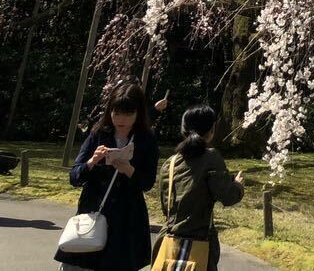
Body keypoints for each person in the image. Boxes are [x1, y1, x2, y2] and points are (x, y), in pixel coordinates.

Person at [56, 82, 159, 271]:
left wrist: (129, 170)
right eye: (116, 113)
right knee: (79, 265)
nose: (121, 119)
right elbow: (74, 176)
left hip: (126, 220)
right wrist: (92, 162)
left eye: (128, 114)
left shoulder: (147, 140)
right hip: (93, 213)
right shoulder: (98, 133)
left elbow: (147, 183)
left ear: (138, 114)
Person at [153, 105, 245, 270]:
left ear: (183, 130)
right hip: (199, 242)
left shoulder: (170, 163)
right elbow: (227, 196)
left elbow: (165, 203)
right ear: (211, 131)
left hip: (169, 241)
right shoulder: (211, 157)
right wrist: (238, 185)